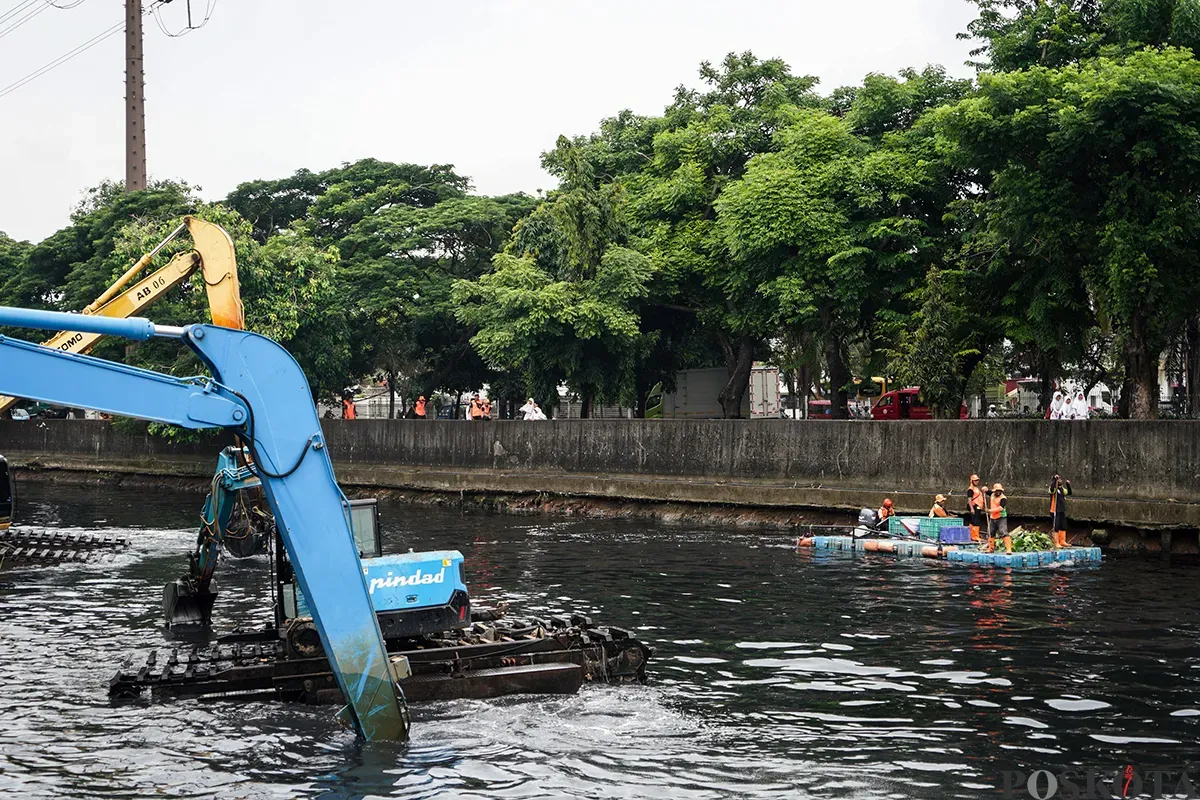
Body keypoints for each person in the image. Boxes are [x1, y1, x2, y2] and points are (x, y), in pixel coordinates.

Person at [986, 483, 1011, 554]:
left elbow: (1000, 508)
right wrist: (985, 489)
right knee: (991, 533)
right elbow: (988, 492)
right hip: (993, 517)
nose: (998, 492)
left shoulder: (1003, 498)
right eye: (996, 491)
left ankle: (1009, 549)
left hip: (1001, 517)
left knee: (1003, 532)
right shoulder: (992, 495)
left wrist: (989, 510)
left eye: (999, 491)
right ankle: (991, 548)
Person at [1049, 474, 1072, 549]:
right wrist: (1054, 480)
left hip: (1061, 510)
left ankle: (1062, 541)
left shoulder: (1062, 489)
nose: (1060, 480)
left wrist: (1068, 485)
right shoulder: (1053, 489)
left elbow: (1069, 493)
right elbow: (1052, 489)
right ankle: (1056, 542)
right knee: (1056, 526)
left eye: (1060, 479)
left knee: (1063, 525)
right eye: (1059, 479)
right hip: (1055, 510)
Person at [966, 474, 985, 543]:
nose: (977, 482)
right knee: (976, 521)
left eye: (977, 480)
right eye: (975, 480)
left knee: (974, 520)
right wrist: (972, 508)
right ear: (972, 481)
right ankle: (975, 536)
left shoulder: (976, 488)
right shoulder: (970, 489)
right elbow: (969, 499)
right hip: (974, 506)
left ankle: (972, 535)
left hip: (978, 507)